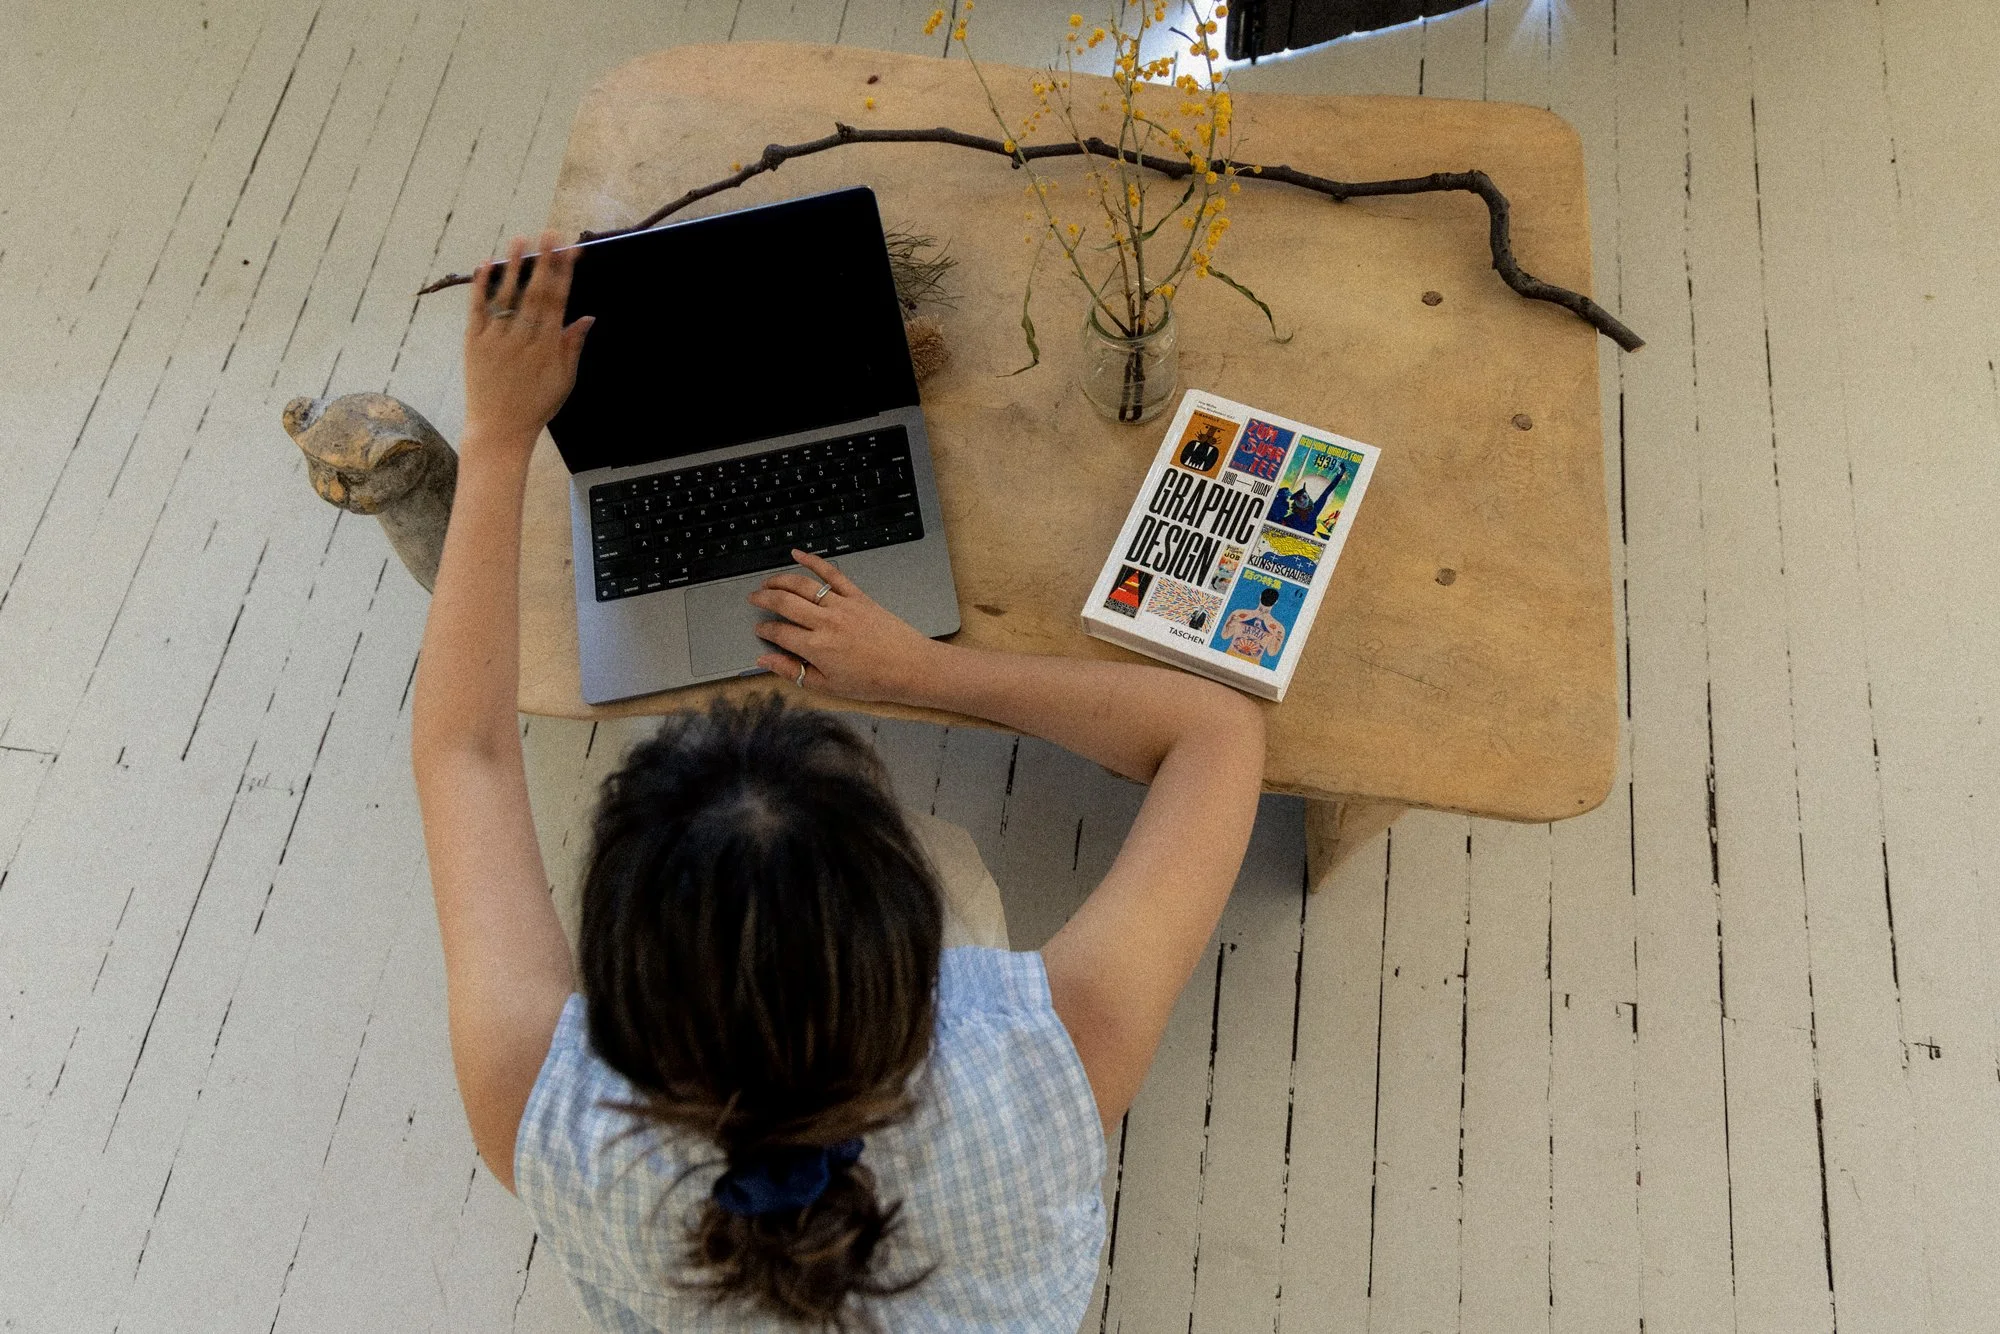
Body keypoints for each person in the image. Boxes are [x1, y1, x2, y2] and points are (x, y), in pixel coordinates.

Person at [410, 234, 1266, 1330]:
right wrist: (925, 669)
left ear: (614, 997)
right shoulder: (1052, 1056)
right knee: (960, 843)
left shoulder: (530, 1098)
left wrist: (494, 441)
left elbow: (463, 751)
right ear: (919, 960)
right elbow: (1216, 735)